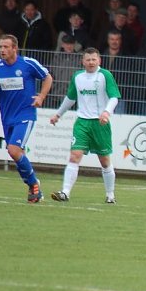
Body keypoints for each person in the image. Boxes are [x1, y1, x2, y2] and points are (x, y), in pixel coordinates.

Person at [0, 34, 54, 203]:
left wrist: (41, 97)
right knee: (16, 153)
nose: (2, 50)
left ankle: (33, 184)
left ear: (14, 48)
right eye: (0, 47)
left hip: (25, 114)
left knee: (13, 150)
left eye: (6, 47)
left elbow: (47, 77)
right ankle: (33, 185)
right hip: (7, 116)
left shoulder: (28, 64)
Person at [49, 48, 122, 204]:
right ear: (83, 61)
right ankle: (65, 193)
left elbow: (114, 97)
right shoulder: (78, 77)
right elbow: (71, 98)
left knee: (104, 161)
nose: (91, 62)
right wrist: (58, 114)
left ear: (99, 60)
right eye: (88, 60)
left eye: (93, 59)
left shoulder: (105, 75)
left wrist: (106, 113)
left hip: (100, 123)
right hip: (82, 122)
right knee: (74, 156)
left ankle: (110, 195)